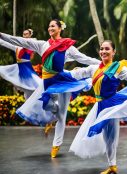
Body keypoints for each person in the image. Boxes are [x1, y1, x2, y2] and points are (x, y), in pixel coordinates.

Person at [0, 19, 100, 158]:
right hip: (48, 83)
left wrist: (103, 63)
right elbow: (18, 41)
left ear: (59, 28)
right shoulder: (42, 44)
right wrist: (1, 35)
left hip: (63, 82)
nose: (50, 28)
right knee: (46, 105)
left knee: (61, 115)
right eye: (49, 26)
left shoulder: (67, 46)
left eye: (53, 26)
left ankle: (56, 145)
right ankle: (53, 117)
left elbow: (84, 58)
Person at [69, 40, 127, 174]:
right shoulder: (95, 68)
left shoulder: (118, 68)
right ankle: (112, 165)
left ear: (114, 52)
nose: (103, 51)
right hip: (100, 106)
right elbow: (79, 74)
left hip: (112, 105)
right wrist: (60, 74)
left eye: (107, 49)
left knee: (111, 136)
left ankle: (112, 165)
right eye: (101, 49)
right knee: (107, 136)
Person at [0, 29, 40, 99]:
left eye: (27, 34)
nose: (25, 35)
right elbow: (5, 44)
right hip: (19, 68)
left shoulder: (31, 45)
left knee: (34, 87)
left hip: (27, 68)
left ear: (30, 35)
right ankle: (28, 105)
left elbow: (35, 41)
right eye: (24, 34)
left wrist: (30, 39)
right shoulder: (17, 47)